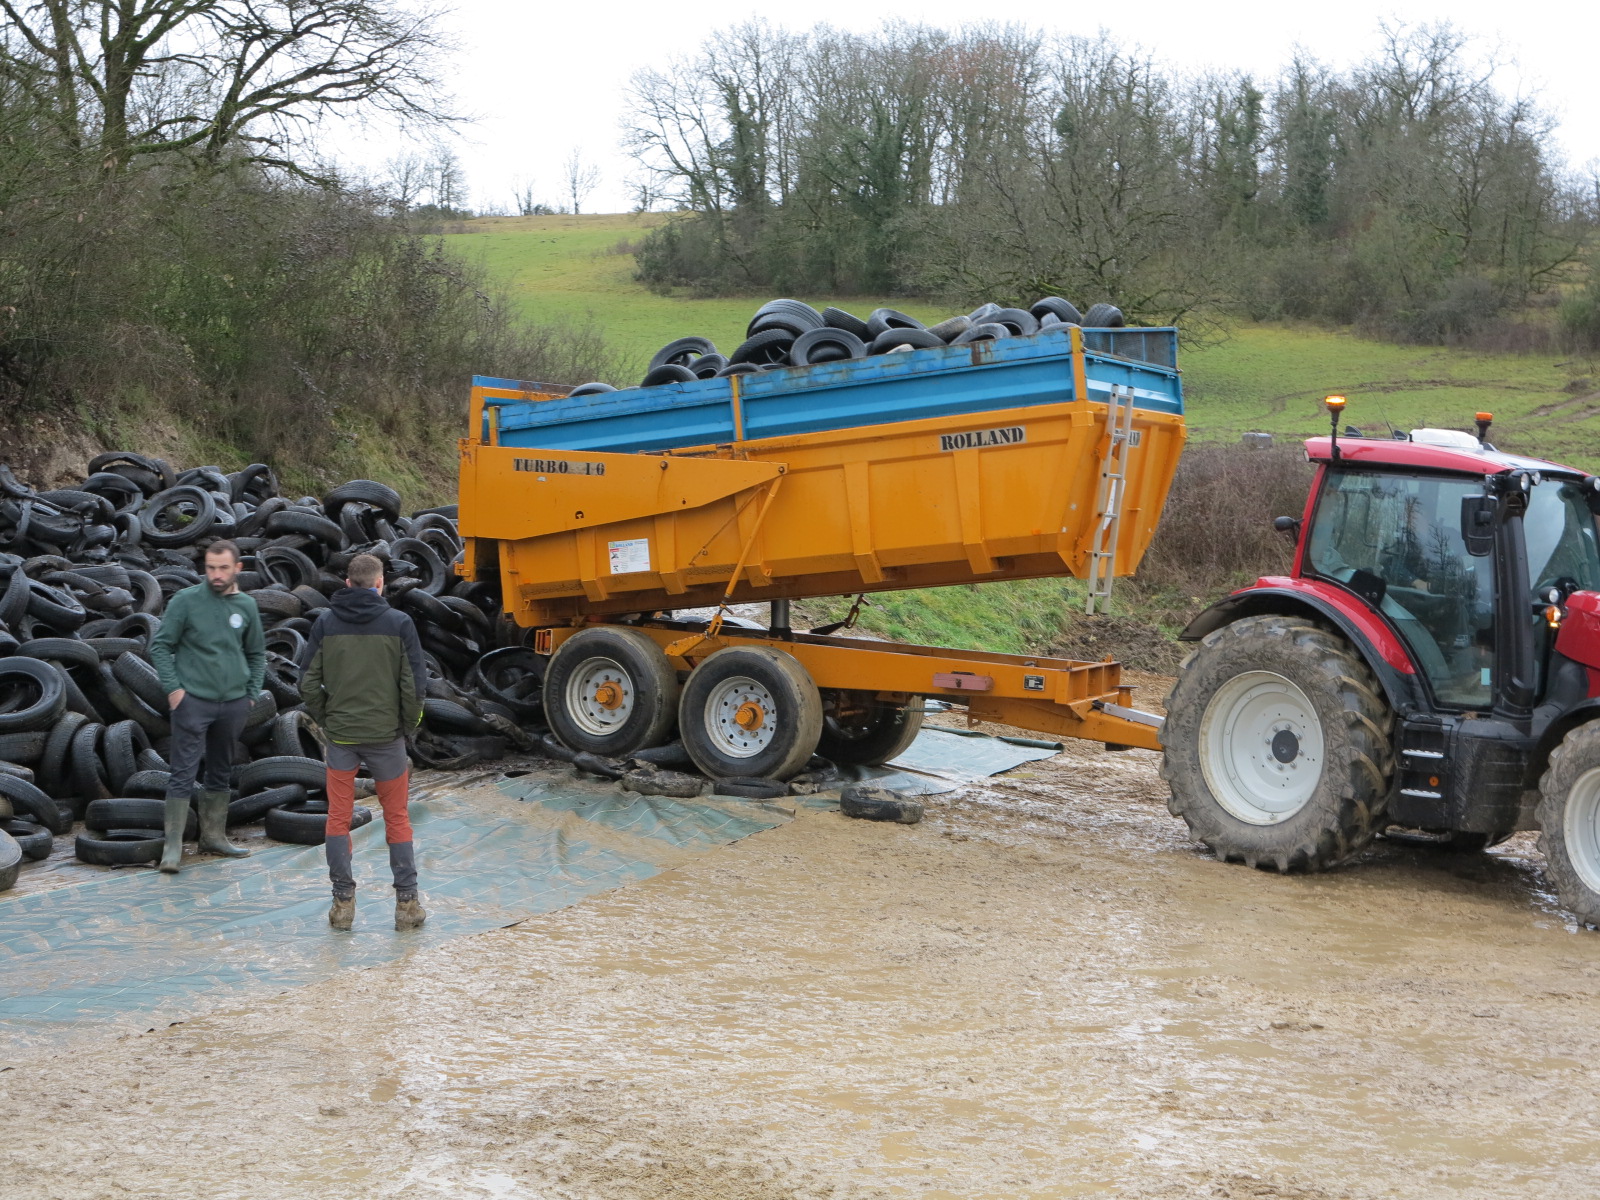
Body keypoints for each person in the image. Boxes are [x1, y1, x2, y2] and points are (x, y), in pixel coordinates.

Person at [298, 552, 427, 932]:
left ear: (347, 584)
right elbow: (415, 687)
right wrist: (406, 726)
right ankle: (407, 905)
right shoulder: (400, 623)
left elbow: (306, 681)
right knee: (397, 817)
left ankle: (342, 906)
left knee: (337, 818)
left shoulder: (325, 622)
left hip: (341, 738)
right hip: (387, 738)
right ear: (380, 583)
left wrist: (327, 718)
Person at [148, 539, 264, 873]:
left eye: (223, 568)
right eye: (211, 567)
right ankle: (173, 847)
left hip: (234, 703)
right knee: (182, 771)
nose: (216, 574)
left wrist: (251, 692)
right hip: (192, 702)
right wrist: (174, 690)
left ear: (237, 568)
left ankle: (213, 836)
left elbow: (256, 654)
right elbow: (161, 647)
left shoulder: (247, 607)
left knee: (221, 769)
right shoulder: (185, 601)